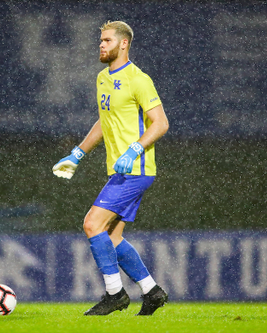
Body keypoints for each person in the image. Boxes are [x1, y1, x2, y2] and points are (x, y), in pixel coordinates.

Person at [52, 20, 169, 316]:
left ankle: (115, 294)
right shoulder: (103, 78)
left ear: (123, 43)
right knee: (113, 238)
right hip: (119, 171)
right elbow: (105, 123)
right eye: (100, 41)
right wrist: (78, 153)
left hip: (137, 170)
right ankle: (151, 291)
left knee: (92, 224)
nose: (101, 45)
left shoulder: (138, 80)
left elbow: (161, 123)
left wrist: (134, 149)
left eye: (106, 40)